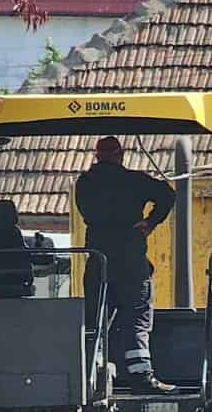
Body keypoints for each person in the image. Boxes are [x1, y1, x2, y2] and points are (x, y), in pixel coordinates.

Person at [75, 136, 176, 394]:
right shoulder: (135, 181)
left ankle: (91, 381)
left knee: (95, 322)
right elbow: (167, 194)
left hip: (99, 261)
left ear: (97, 156)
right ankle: (141, 378)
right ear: (121, 155)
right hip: (131, 263)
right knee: (136, 320)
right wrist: (151, 222)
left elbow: (88, 213)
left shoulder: (85, 183)